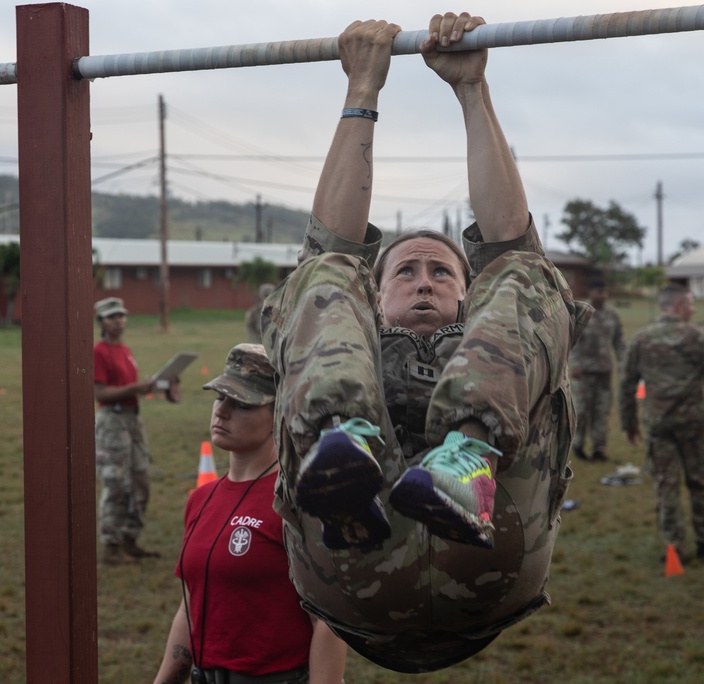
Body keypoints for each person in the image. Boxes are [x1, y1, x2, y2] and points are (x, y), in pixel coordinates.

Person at [259, 13, 591, 673]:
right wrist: (363, 88)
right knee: (320, 277)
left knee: (526, 275)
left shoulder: (488, 341)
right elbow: (334, 252)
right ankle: (343, 451)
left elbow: (509, 252)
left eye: (442, 272)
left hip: (489, 549)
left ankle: (468, 457)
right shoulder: (353, 334)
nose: (423, 281)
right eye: (404, 271)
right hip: (349, 565)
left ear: (466, 298)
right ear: (375, 300)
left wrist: (472, 90)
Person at [152, 344, 347, 684]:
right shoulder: (200, 499)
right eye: (219, 397)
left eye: (242, 403)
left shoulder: (300, 502)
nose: (222, 411)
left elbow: (329, 623)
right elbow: (190, 606)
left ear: (280, 414)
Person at [619, 284, 704, 563]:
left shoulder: (642, 339)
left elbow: (627, 384)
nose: (693, 308)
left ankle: (673, 549)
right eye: (691, 303)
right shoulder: (696, 337)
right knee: (699, 483)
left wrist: (629, 423)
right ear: (678, 306)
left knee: (666, 486)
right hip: (694, 425)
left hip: (659, 426)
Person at [94, 296, 179, 565]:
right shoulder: (99, 351)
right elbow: (100, 392)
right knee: (117, 483)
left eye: (121, 315)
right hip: (112, 421)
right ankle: (111, 546)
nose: (118, 321)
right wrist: (136, 388)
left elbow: (129, 387)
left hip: (133, 419)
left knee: (141, 480)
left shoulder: (125, 350)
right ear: (101, 322)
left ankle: (130, 540)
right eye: (111, 317)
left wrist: (153, 385)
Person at [570, 278, 625, 462]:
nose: (603, 295)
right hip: (584, 372)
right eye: (599, 291)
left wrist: (622, 363)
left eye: (604, 291)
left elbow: (618, 340)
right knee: (582, 411)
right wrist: (575, 364)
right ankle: (577, 446)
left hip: (604, 371)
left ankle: (599, 449)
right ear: (591, 292)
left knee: (602, 411)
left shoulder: (611, 314)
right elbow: (572, 340)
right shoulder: (583, 312)